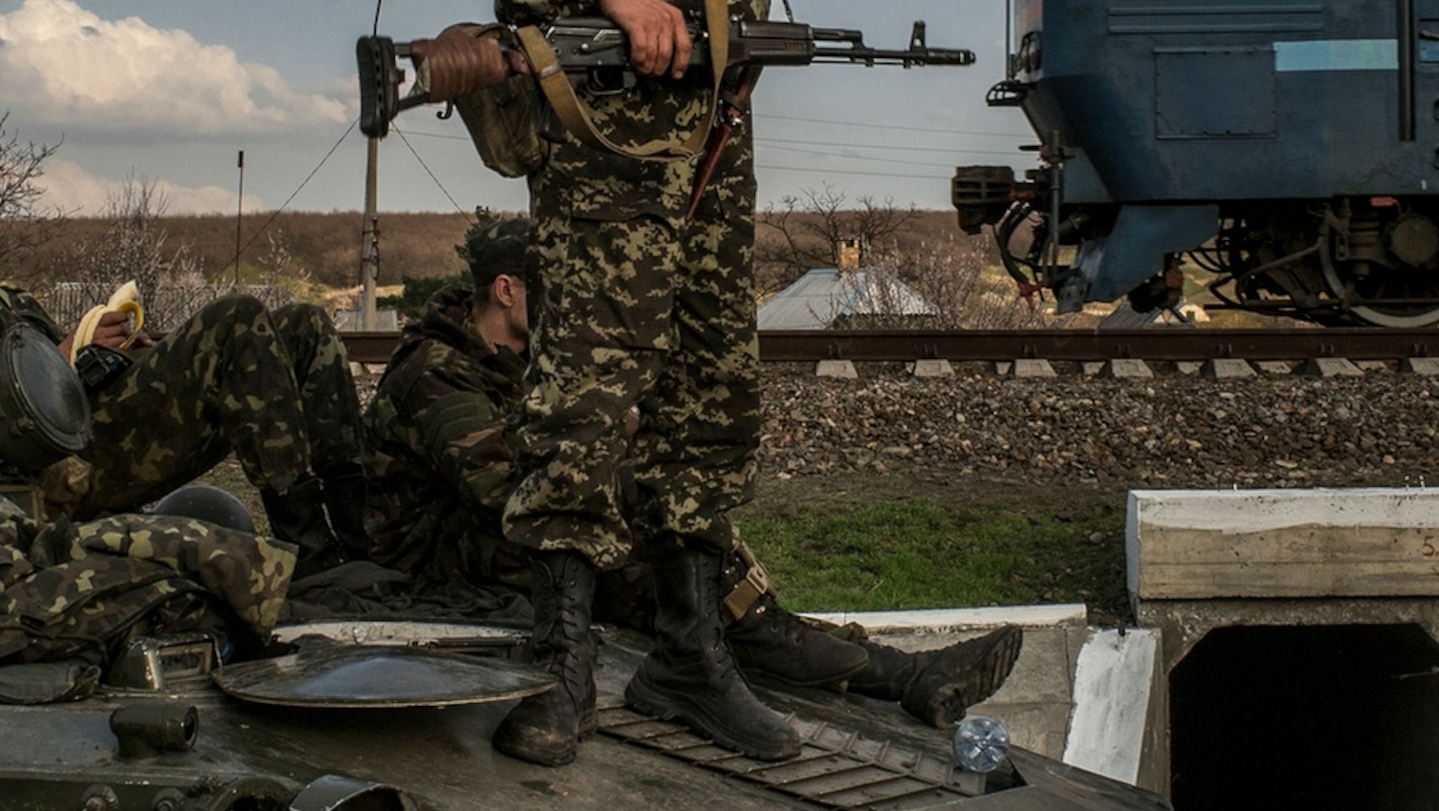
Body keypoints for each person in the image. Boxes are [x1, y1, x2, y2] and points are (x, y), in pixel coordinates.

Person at [419, 0, 891, 766]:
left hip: (718, 130)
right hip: (603, 131)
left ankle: (690, 660)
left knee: (706, 387)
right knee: (586, 384)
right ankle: (562, 670)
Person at [369, 214, 1022, 728]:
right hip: (437, 549)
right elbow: (503, 489)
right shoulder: (435, 369)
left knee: (691, 566)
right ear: (507, 291)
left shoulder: (525, 357)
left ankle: (895, 673)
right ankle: (885, 670)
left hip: (502, 528)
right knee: (670, 563)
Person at [0, 145, 369, 558]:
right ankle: (312, 552)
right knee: (236, 320)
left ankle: (354, 533)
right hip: (53, 472)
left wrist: (98, 344)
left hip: (84, 415)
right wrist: (58, 360)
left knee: (302, 326)